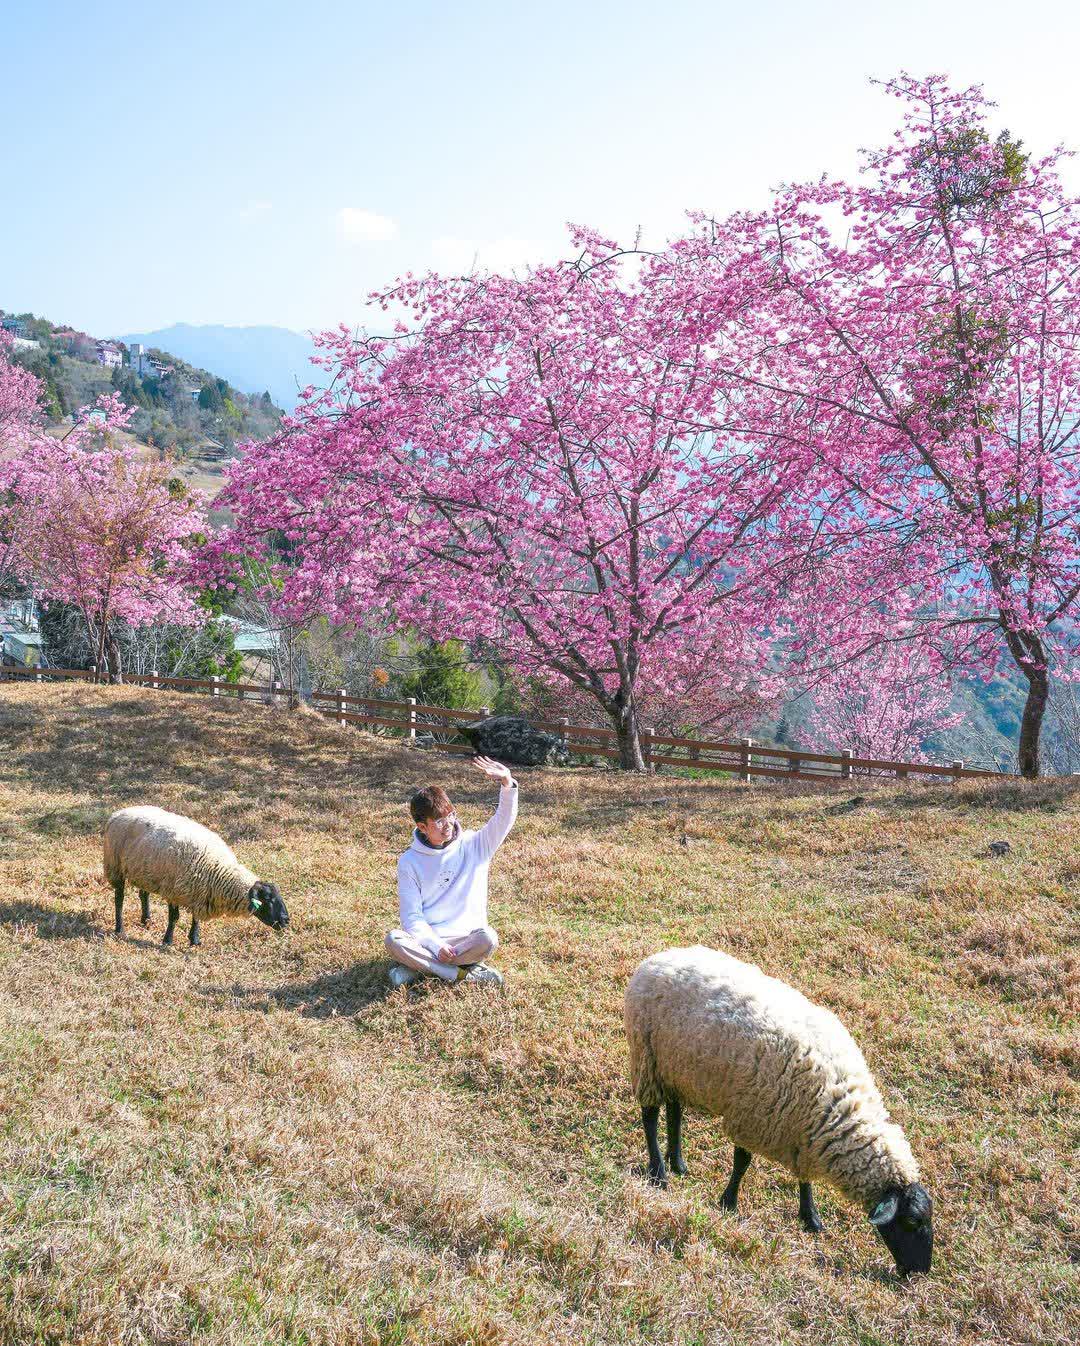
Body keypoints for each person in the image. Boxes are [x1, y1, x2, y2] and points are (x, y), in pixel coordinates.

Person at [386, 755, 518, 989]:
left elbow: (503, 821)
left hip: (466, 941)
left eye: (450, 815)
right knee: (394, 940)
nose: (447, 824)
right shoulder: (409, 861)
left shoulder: (475, 844)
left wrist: (507, 783)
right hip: (428, 942)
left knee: (488, 939)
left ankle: (419, 969)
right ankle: (462, 975)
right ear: (422, 827)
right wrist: (436, 946)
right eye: (438, 821)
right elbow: (411, 918)